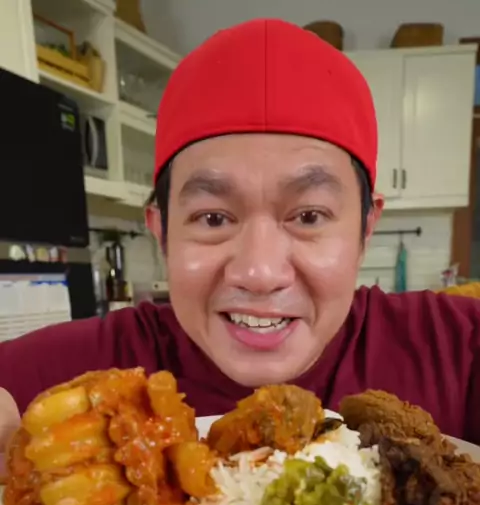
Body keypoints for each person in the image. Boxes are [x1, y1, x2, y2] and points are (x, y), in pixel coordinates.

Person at [1, 17, 480, 471]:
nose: (260, 273)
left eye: (309, 216)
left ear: (366, 226)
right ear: (161, 230)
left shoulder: (460, 349)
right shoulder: (73, 379)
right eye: (212, 218)